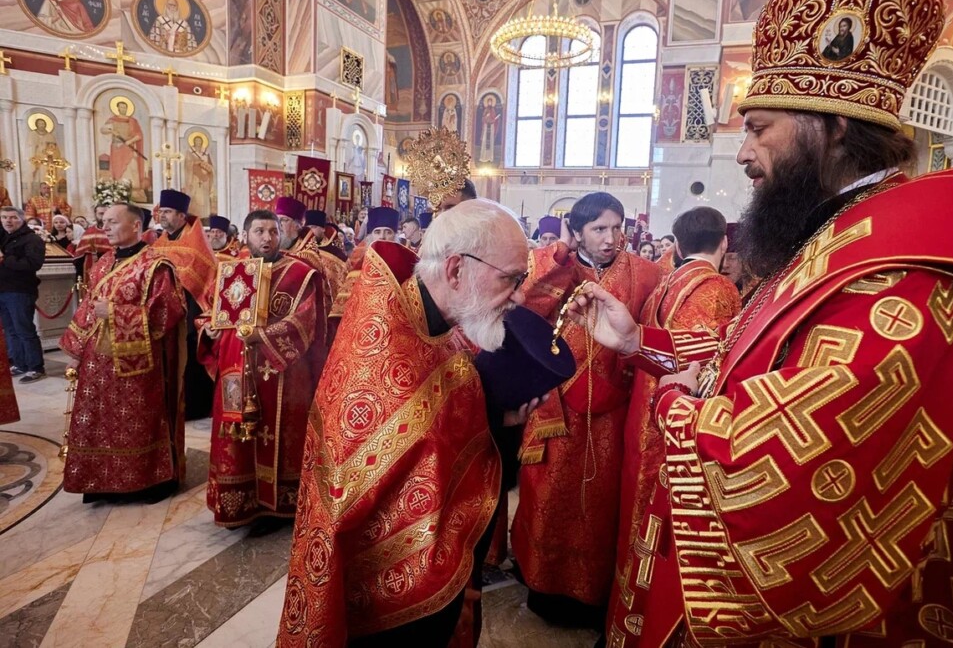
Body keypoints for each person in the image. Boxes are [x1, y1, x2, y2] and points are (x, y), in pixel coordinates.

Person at [565, 0, 953, 644]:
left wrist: (672, 406)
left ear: (835, 126)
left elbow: (792, 470)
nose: (743, 153)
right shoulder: (835, 236)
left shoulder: (904, 273)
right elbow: (750, 367)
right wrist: (641, 345)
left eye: (759, 127)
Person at [278, 200, 534, 647]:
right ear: (456, 270)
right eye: (511, 279)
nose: (520, 295)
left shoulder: (445, 320)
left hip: (445, 565)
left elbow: (445, 429)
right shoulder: (381, 353)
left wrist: (499, 419)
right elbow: (352, 491)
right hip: (387, 603)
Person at [511, 192, 665, 628]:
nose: (611, 237)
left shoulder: (647, 273)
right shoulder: (559, 268)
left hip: (615, 411)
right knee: (550, 494)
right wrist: (557, 255)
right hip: (558, 409)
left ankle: (594, 594)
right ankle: (544, 585)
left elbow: (650, 333)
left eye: (617, 227)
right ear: (577, 232)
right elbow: (527, 307)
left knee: (601, 504)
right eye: (599, 229)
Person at [606, 206, 741, 642]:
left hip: (643, 413)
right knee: (659, 533)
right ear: (724, 243)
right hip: (672, 421)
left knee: (636, 526)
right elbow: (707, 364)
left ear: (678, 246)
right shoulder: (719, 288)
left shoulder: (667, 280)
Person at [198, 209, 327, 529]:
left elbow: (306, 322)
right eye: (259, 232)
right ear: (245, 235)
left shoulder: (300, 273)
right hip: (235, 368)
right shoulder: (229, 270)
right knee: (237, 437)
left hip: (282, 374)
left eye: (273, 231)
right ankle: (238, 502)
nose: (267, 238)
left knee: (278, 435)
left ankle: (277, 504)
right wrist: (209, 330)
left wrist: (264, 336)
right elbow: (207, 312)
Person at [59, 203, 187, 503]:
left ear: (135, 227)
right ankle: (100, 481)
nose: (105, 227)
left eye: (113, 222)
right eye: (104, 221)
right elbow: (88, 306)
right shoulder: (103, 262)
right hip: (96, 365)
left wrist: (116, 313)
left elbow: (168, 313)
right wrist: (75, 350)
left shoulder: (156, 265)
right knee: (97, 422)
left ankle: (146, 482)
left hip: (137, 367)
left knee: (138, 423)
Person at [153, 189, 218, 420]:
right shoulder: (159, 244)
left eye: (168, 212)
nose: (162, 215)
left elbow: (207, 280)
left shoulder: (195, 245)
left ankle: (194, 407)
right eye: (162, 211)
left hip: (191, 313)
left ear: (182, 216)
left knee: (189, 360)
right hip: (163, 314)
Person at [0, 207, 46, 383]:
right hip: (3, 289)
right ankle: (19, 363)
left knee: (24, 329)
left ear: (21, 219)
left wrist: (5, 259)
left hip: (19, 291)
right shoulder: (5, 237)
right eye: (4, 217)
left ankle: (35, 367)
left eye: (12, 217)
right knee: (10, 331)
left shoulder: (32, 239)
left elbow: (32, 264)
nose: (7, 221)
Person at [73, 204, 112, 285]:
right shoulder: (90, 231)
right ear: (95, 215)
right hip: (91, 265)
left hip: (111, 264)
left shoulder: (115, 230)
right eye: (101, 213)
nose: (104, 216)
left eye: (106, 213)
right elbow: (79, 255)